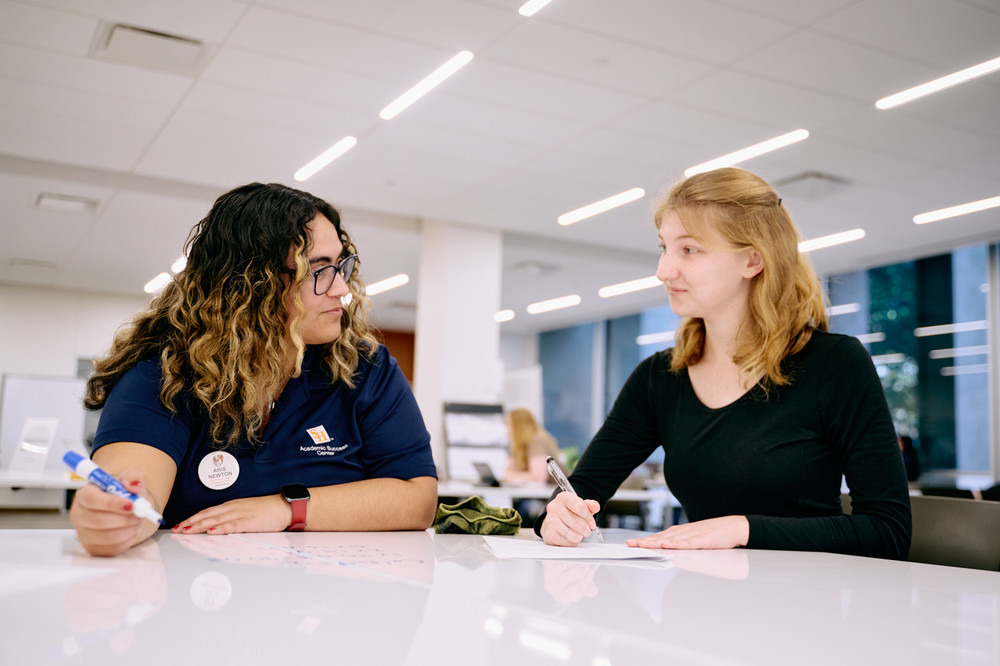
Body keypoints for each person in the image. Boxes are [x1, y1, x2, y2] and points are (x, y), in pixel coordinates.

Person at [534, 167, 911, 560]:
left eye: (689, 249)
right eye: (664, 247)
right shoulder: (659, 378)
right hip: (694, 605)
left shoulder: (835, 364)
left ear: (752, 260)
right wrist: (559, 515)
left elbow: (888, 531)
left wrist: (742, 528)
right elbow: (578, 492)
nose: (664, 271)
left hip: (804, 605)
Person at [70, 183, 438, 557]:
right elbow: (135, 488)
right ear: (251, 284)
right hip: (202, 603)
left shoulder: (364, 370)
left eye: (340, 265)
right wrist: (116, 515)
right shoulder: (162, 374)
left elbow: (418, 497)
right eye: (319, 270)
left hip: (336, 601)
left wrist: (284, 508)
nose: (342, 287)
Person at [503, 409, 560, 484]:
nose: (506, 429)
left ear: (519, 425)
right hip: (534, 492)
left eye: (508, 424)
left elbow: (538, 477)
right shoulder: (517, 444)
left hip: (554, 491)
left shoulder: (537, 440)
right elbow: (506, 474)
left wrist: (513, 476)